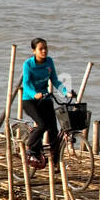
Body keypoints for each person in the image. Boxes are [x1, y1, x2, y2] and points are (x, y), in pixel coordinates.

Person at [20, 37, 72, 168]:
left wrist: (66, 92)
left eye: (45, 48)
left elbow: (55, 80)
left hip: (45, 98)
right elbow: (26, 84)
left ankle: (55, 163)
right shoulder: (28, 64)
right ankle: (31, 149)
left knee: (54, 130)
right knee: (42, 125)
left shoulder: (49, 62)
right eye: (40, 49)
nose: (44, 51)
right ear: (34, 51)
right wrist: (34, 94)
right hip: (30, 100)